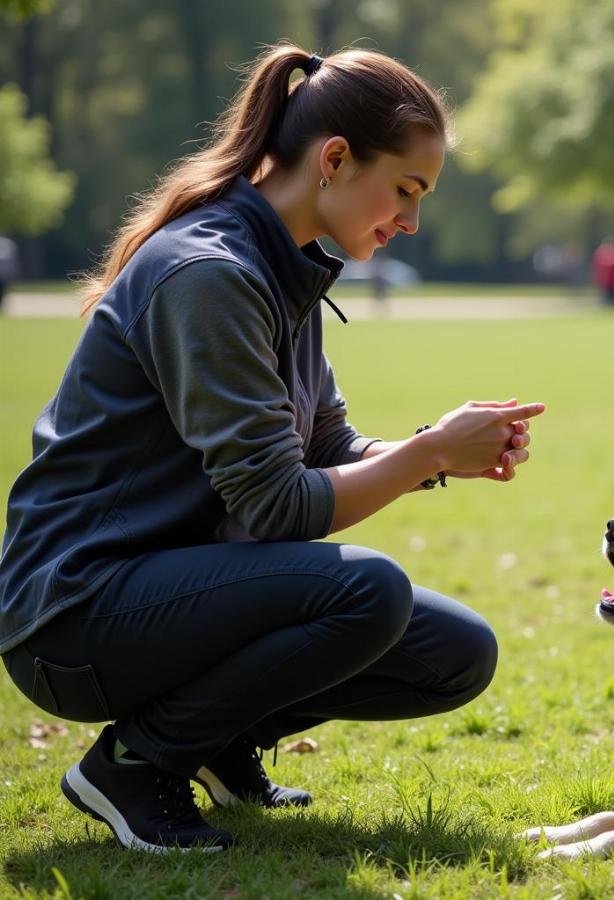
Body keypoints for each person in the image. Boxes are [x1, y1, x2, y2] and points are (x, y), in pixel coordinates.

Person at [0, 44, 544, 854]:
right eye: (405, 190)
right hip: (75, 611)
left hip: (165, 589)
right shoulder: (208, 273)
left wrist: (441, 451)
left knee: (455, 653)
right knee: (369, 593)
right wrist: (428, 452)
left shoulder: (286, 268)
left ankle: (216, 743)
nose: (411, 220)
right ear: (334, 159)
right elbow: (278, 505)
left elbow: (326, 444)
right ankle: (132, 764)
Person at [592, 236, 614, 305]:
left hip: (611, 281)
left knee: (611, 298)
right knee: (609, 298)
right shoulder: (612, 254)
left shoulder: (601, 253)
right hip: (609, 281)